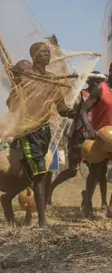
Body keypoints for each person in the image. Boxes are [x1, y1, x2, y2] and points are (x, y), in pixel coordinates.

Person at [1, 42, 73, 227]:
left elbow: (61, 107)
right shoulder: (25, 79)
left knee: (37, 175)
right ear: (33, 55)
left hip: (45, 132)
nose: (46, 55)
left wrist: (72, 112)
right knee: (40, 174)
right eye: (42, 52)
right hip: (28, 133)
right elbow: (11, 105)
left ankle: (7, 198)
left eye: (48, 53)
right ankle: (42, 221)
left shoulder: (51, 79)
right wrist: (18, 89)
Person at [47, 73, 107, 206]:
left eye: (101, 81)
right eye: (96, 81)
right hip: (78, 136)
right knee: (72, 170)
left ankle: (95, 201)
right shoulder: (80, 95)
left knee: (98, 170)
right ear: (90, 81)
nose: (99, 84)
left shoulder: (105, 96)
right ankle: (51, 187)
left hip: (95, 137)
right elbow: (71, 111)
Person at [80, 63, 112, 217]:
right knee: (95, 173)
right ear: (110, 71)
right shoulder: (100, 88)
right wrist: (89, 128)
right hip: (99, 138)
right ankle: (87, 202)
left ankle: (110, 208)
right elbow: (84, 110)